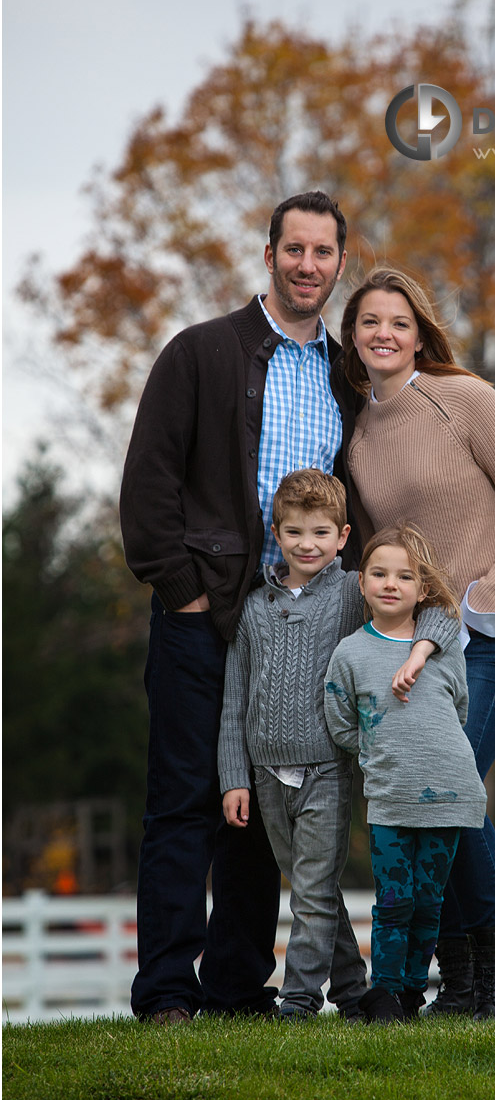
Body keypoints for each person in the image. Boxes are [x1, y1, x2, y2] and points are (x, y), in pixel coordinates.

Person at [120, 190, 362, 1024]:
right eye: (293, 249)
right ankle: (165, 994)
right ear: (268, 256)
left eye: (322, 253)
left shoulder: (345, 377)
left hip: (300, 629)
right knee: (186, 801)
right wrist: (183, 596)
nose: (307, 266)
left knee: (264, 808)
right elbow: (148, 485)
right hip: (204, 620)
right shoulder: (201, 353)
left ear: (339, 262)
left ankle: (232, 988)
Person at [339, 266, 495, 1021]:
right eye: (369, 322)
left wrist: (486, 604)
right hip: (421, 649)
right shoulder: (359, 436)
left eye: (397, 322)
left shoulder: (461, 397)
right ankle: (461, 980)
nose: (383, 334)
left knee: (451, 786)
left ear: (418, 331)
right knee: (437, 795)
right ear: (352, 335)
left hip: (492, 636)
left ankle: (494, 983)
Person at [217, 470, 458, 1021]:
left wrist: (419, 653)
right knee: (314, 892)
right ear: (275, 533)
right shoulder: (253, 608)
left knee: (312, 890)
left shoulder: (356, 589)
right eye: (295, 533)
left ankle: (298, 1003)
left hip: (326, 767)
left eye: (321, 533)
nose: (308, 545)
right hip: (263, 773)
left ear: (343, 536)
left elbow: (441, 613)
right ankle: (354, 992)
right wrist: (234, 776)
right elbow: (235, 699)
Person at [324, 524, 487, 1024]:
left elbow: (458, 707)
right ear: (362, 583)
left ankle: (414, 993)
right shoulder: (350, 653)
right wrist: (378, 750)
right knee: (394, 899)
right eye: (378, 573)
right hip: (391, 799)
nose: (390, 584)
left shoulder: (441, 647)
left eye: (403, 576)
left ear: (421, 589)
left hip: (451, 794)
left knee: (429, 900)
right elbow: (340, 721)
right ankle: (386, 993)